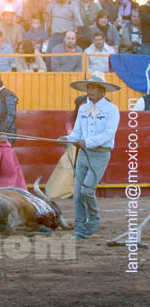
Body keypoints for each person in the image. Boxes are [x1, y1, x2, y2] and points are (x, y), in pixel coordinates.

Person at [58, 72, 121, 239]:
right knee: (78, 193)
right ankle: (79, 229)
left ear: (102, 91)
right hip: (84, 155)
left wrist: (87, 141)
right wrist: (68, 138)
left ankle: (94, 218)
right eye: (88, 87)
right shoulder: (83, 108)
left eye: (93, 88)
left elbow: (108, 134)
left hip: (100, 155)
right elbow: (77, 132)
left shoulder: (112, 110)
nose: (90, 91)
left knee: (87, 190)